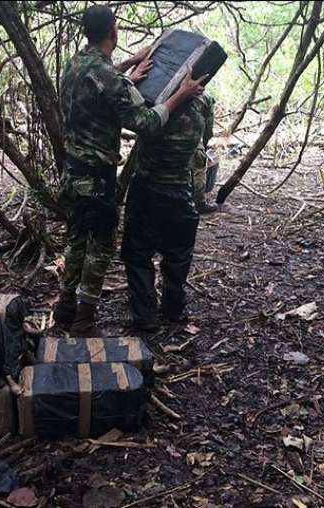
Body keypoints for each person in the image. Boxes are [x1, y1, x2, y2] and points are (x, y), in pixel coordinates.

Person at [54, 5, 205, 336]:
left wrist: (128, 68)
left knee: (76, 238)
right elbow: (147, 123)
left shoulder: (76, 63)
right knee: (100, 245)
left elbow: (98, 79)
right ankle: (84, 318)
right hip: (96, 177)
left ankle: (64, 305)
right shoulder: (110, 79)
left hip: (72, 171)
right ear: (114, 32)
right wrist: (180, 94)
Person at [121, 87, 215, 332]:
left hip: (147, 190)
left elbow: (135, 120)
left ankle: (145, 315)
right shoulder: (203, 102)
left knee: (138, 254)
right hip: (179, 191)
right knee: (178, 254)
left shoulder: (150, 100)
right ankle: (174, 309)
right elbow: (206, 139)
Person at [188, 92, 219, 214]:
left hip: (165, 142)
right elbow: (208, 127)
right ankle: (199, 203)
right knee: (199, 170)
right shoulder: (205, 98)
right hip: (193, 141)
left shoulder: (167, 91)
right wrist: (204, 144)